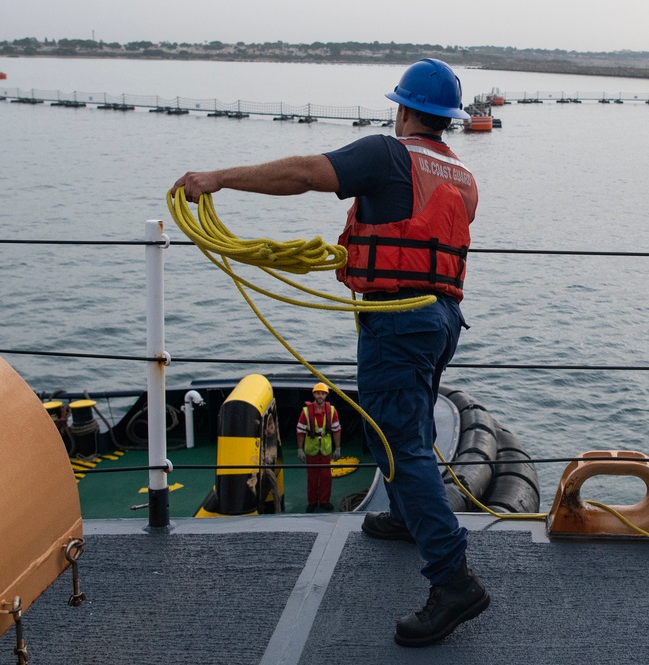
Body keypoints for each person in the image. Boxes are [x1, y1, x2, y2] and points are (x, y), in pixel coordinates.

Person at [171, 58, 487, 648]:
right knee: (409, 425)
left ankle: (453, 581)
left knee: (401, 443)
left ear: (403, 107)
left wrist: (218, 179)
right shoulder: (461, 173)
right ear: (447, 118)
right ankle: (403, 515)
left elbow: (304, 173)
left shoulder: (388, 153)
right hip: (441, 318)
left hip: (398, 324)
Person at [296, 382, 342, 512]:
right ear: (314, 394)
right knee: (312, 477)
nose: (320, 395)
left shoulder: (332, 411)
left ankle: (324, 501)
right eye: (318, 393)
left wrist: (337, 448)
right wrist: (300, 449)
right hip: (312, 449)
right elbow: (300, 431)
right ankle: (312, 502)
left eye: (322, 393)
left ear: (326, 395)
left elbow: (337, 429)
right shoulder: (305, 412)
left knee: (326, 477)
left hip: (326, 449)